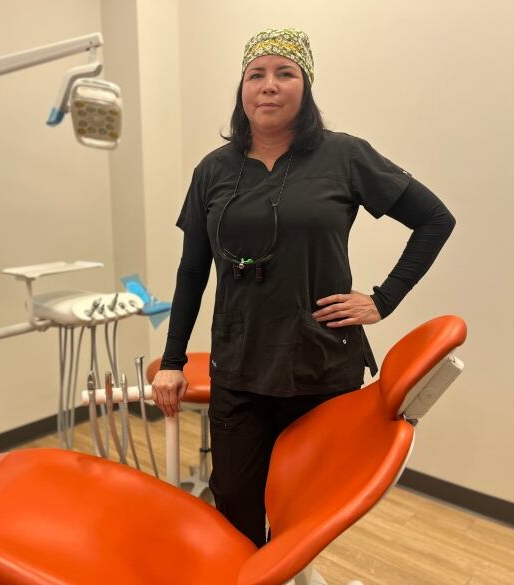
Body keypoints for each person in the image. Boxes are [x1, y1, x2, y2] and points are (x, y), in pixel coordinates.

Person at [150, 28, 455, 548]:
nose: (268, 85)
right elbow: (192, 271)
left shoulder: (345, 156)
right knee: (237, 514)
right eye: (256, 74)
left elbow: (434, 219)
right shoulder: (213, 171)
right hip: (240, 366)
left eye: (284, 73)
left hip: (319, 364)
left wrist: (383, 299)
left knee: (306, 514)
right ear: (242, 89)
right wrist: (173, 359)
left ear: (305, 86)